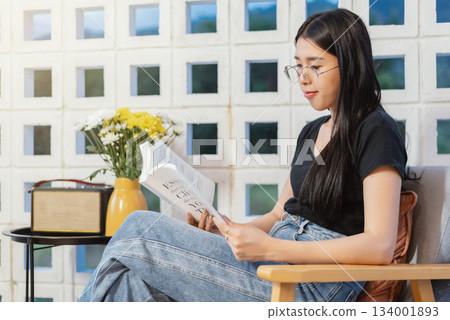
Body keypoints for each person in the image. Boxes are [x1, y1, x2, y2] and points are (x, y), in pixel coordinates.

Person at [78, 8, 411, 302]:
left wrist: (271, 249)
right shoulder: (313, 131)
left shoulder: (376, 130)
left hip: (313, 283)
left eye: (316, 65)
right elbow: (280, 213)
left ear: (350, 64)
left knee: (139, 227)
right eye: (297, 66)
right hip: (275, 262)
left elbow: (379, 246)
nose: (303, 78)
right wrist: (227, 229)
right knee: (132, 281)